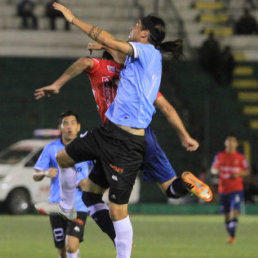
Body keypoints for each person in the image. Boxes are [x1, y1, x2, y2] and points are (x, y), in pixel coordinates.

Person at [35, 3, 212, 257]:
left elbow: (107, 41)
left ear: (144, 35)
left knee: (118, 209)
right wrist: (184, 137)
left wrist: (73, 19)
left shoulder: (146, 53)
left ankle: (124, 251)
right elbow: (165, 106)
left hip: (126, 140)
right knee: (71, 168)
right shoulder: (139, 65)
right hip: (112, 133)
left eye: (136, 26)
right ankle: (67, 206)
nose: (132, 27)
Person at [34, 110, 92, 258]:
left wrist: (90, 182)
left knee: (71, 245)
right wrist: (45, 173)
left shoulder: (87, 147)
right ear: (60, 127)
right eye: (65, 123)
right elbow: (36, 174)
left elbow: (102, 170)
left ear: (79, 127)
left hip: (79, 206)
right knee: (62, 250)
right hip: (56, 206)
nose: (69, 127)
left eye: (72, 123)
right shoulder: (51, 148)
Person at [211, 135, 249, 244]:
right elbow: (213, 168)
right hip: (223, 190)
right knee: (227, 215)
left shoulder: (240, 157)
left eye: (233, 142)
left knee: (234, 211)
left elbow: (246, 171)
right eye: (229, 142)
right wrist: (215, 171)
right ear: (226, 144)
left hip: (236, 189)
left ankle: (232, 236)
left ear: (236, 144)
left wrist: (239, 174)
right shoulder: (220, 156)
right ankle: (231, 234)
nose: (231, 144)